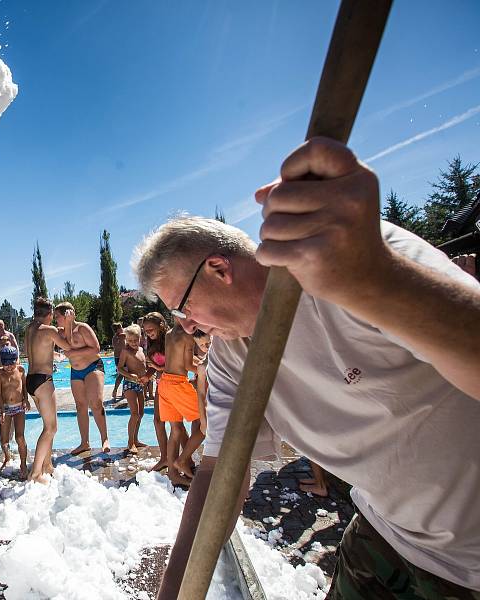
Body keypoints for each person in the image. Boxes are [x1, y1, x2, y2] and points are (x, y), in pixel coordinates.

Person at [133, 138, 480, 599]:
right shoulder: (232, 356)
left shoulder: (358, 257)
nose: (189, 325)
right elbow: (219, 477)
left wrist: (377, 278)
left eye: (184, 306)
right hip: (385, 531)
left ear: (219, 268)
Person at [24, 297, 73, 482]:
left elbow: (40, 347)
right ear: (50, 314)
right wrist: (67, 325)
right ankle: (35, 473)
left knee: (47, 426)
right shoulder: (49, 329)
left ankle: (46, 465)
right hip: (43, 381)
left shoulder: (29, 329)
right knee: (51, 428)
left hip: (31, 380)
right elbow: (68, 346)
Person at [54, 301, 110, 455]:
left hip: (93, 367)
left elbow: (96, 349)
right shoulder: (60, 333)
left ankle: (104, 438)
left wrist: (73, 354)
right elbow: (67, 346)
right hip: (76, 371)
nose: (55, 320)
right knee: (80, 406)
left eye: (58, 316)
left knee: (96, 404)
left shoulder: (83, 328)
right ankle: (84, 442)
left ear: (67, 315)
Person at [159, 325, 205, 486]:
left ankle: (172, 473)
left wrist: (199, 361)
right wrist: (205, 368)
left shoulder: (170, 333)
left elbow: (177, 358)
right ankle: (183, 460)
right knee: (204, 423)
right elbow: (187, 365)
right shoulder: (188, 335)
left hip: (164, 382)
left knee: (176, 430)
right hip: (177, 384)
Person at [141, 312, 172, 471]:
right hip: (161, 384)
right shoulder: (152, 344)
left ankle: (183, 460)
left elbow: (177, 364)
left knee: (176, 425)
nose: (148, 333)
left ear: (161, 325)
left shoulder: (170, 339)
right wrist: (147, 376)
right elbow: (153, 367)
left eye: (151, 329)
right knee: (158, 421)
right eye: (146, 331)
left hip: (174, 384)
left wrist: (158, 368)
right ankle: (165, 458)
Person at [0, 346, 30, 478]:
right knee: (4, 440)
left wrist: (26, 399)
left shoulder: (21, 370)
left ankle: (23, 464)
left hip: (19, 407)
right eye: (5, 364)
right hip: (6, 408)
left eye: (12, 363)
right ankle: (7, 457)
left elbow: (24, 387)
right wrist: (2, 411)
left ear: (17, 360)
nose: (9, 367)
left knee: (20, 437)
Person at [116, 324, 148, 453]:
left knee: (141, 414)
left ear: (140, 338)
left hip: (140, 384)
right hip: (129, 384)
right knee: (134, 414)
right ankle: (130, 443)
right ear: (126, 340)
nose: (133, 343)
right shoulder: (125, 351)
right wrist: (130, 375)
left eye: (135, 340)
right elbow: (119, 368)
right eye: (130, 341)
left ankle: (135, 439)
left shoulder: (141, 349)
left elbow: (143, 364)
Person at [191, 330, 211, 435]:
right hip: (212, 408)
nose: (206, 347)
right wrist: (203, 421)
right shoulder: (202, 366)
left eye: (208, 343)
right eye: (202, 345)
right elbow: (201, 394)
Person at [110, 322, 126, 399]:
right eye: (122, 327)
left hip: (116, 358)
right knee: (126, 375)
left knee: (120, 375)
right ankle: (124, 393)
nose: (123, 328)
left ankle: (115, 390)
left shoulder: (114, 337)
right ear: (119, 329)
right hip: (123, 358)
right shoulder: (123, 336)